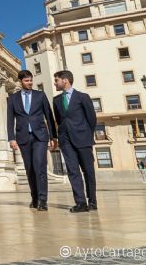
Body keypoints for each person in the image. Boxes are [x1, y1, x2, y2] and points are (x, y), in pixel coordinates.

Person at [7, 70, 57, 211]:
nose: (30, 83)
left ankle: (43, 200)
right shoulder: (13, 98)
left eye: (31, 80)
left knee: (40, 167)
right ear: (20, 82)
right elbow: (10, 119)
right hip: (23, 138)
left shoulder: (40, 95)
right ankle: (34, 197)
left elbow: (49, 116)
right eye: (27, 81)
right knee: (30, 169)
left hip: (40, 137)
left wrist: (53, 137)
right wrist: (11, 138)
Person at [52, 70, 97, 213]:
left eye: (57, 80)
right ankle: (80, 202)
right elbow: (59, 120)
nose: (55, 83)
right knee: (73, 171)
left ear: (65, 80)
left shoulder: (83, 97)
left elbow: (92, 119)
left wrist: (88, 137)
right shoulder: (56, 100)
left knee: (88, 171)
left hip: (83, 139)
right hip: (66, 141)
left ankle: (92, 201)